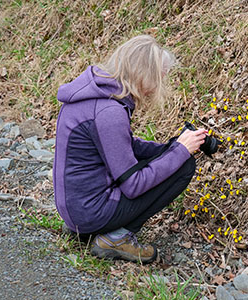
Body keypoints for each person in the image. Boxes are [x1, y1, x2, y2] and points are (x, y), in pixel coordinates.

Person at [53, 35, 207, 263]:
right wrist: (180, 153)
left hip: (76, 209)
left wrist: (169, 148)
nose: (161, 81)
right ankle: (116, 238)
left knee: (174, 158)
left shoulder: (96, 93)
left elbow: (122, 146)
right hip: (88, 213)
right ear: (144, 74)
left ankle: (94, 230)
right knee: (183, 166)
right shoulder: (109, 112)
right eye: (160, 75)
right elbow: (133, 185)